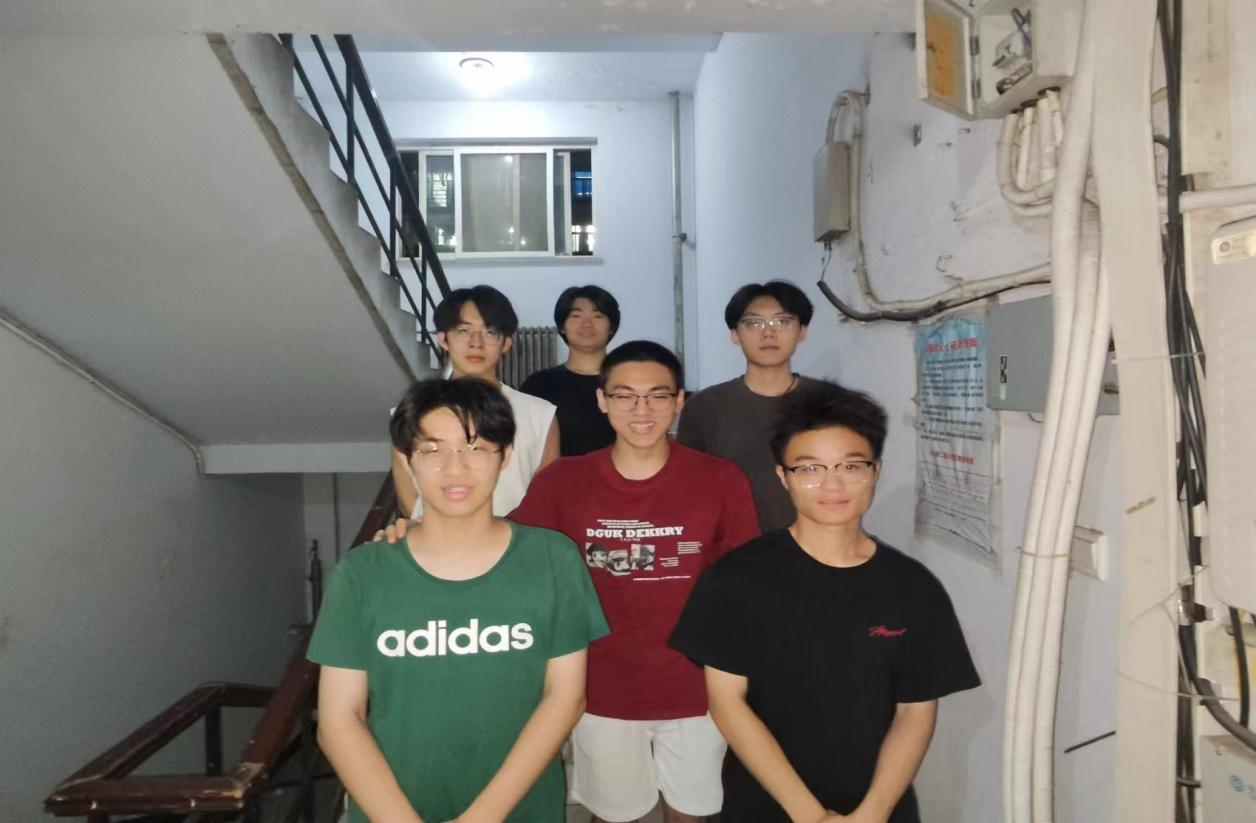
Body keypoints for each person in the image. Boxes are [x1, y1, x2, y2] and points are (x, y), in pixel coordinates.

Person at [669, 381, 981, 823]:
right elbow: (727, 704)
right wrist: (809, 815)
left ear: (875, 471)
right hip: (766, 804)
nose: (832, 484)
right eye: (810, 468)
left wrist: (873, 813)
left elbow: (915, 713)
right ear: (783, 477)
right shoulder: (734, 579)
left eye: (851, 466)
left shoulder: (913, 587)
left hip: (878, 807)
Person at [310, 378, 608, 823]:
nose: (455, 469)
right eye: (432, 450)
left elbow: (566, 698)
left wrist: (481, 817)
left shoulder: (553, 559)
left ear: (506, 455)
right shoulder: (362, 574)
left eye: (476, 448)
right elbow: (338, 720)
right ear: (407, 460)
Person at [510, 340, 761, 823]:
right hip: (599, 686)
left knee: (691, 814)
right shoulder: (563, 481)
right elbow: (509, 551)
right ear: (602, 400)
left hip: (699, 688)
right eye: (624, 396)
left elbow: (744, 581)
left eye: (657, 395)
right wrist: (415, 533)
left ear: (679, 400)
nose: (641, 410)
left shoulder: (721, 480)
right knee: (614, 814)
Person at [391, 285, 559, 518]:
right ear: (444, 339)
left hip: (515, 537)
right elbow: (408, 494)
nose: (476, 343)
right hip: (436, 537)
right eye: (463, 331)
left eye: (489, 332)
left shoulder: (540, 414)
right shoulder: (414, 411)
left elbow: (547, 494)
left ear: (505, 343)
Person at [677, 280, 823, 532]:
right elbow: (689, 485)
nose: (768, 333)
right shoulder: (705, 407)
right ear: (735, 334)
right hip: (730, 544)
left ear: (802, 332)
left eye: (782, 322)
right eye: (754, 323)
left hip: (815, 542)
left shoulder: (830, 402)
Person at [521, 285, 619, 455]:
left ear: (611, 327)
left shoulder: (627, 383)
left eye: (597, 316)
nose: (587, 324)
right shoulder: (538, 385)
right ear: (562, 327)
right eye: (576, 316)